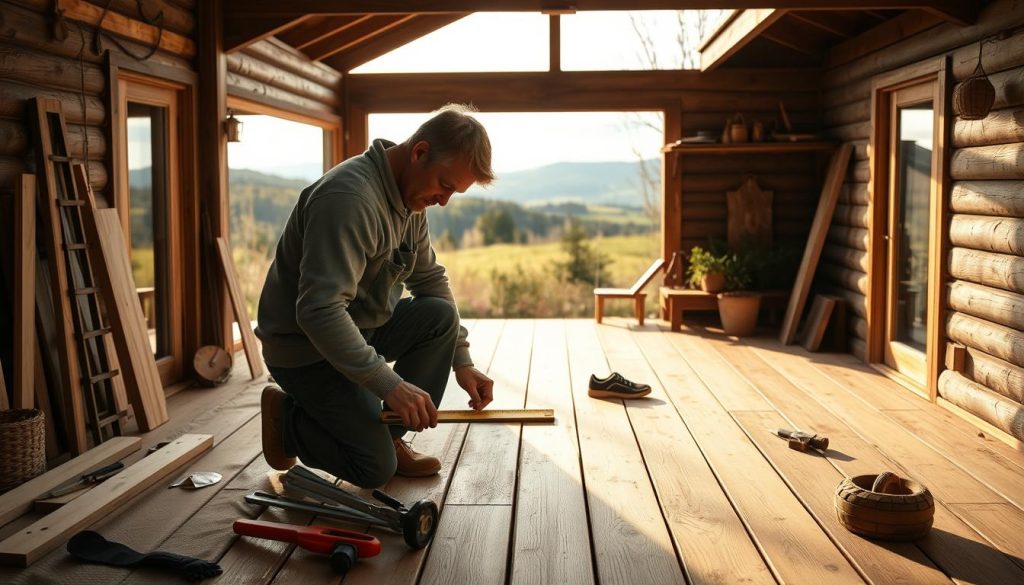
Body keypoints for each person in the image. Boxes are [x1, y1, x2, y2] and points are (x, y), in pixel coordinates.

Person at [255, 104, 495, 488]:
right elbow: (318, 311)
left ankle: (386, 436)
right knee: (373, 470)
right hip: (305, 350)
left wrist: (462, 362)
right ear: (419, 152)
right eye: (446, 185)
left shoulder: (410, 197)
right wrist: (390, 384)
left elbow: (429, 279)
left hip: (359, 331)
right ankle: (290, 422)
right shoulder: (350, 199)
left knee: (439, 317)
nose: (445, 200)